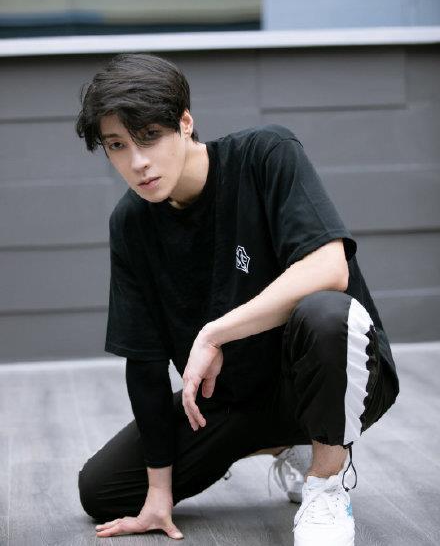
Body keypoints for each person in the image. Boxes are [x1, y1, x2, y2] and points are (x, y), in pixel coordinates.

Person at [74, 53, 399, 545]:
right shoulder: (131, 223)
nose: (137, 162)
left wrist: (215, 333)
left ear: (185, 123)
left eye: (150, 136)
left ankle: (327, 482)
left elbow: (330, 268)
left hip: (334, 378)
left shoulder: (265, 155)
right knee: (103, 490)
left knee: (325, 312)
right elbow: (143, 362)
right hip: (233, 402)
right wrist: (159, 493)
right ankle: (283, 444)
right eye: (118, 145)